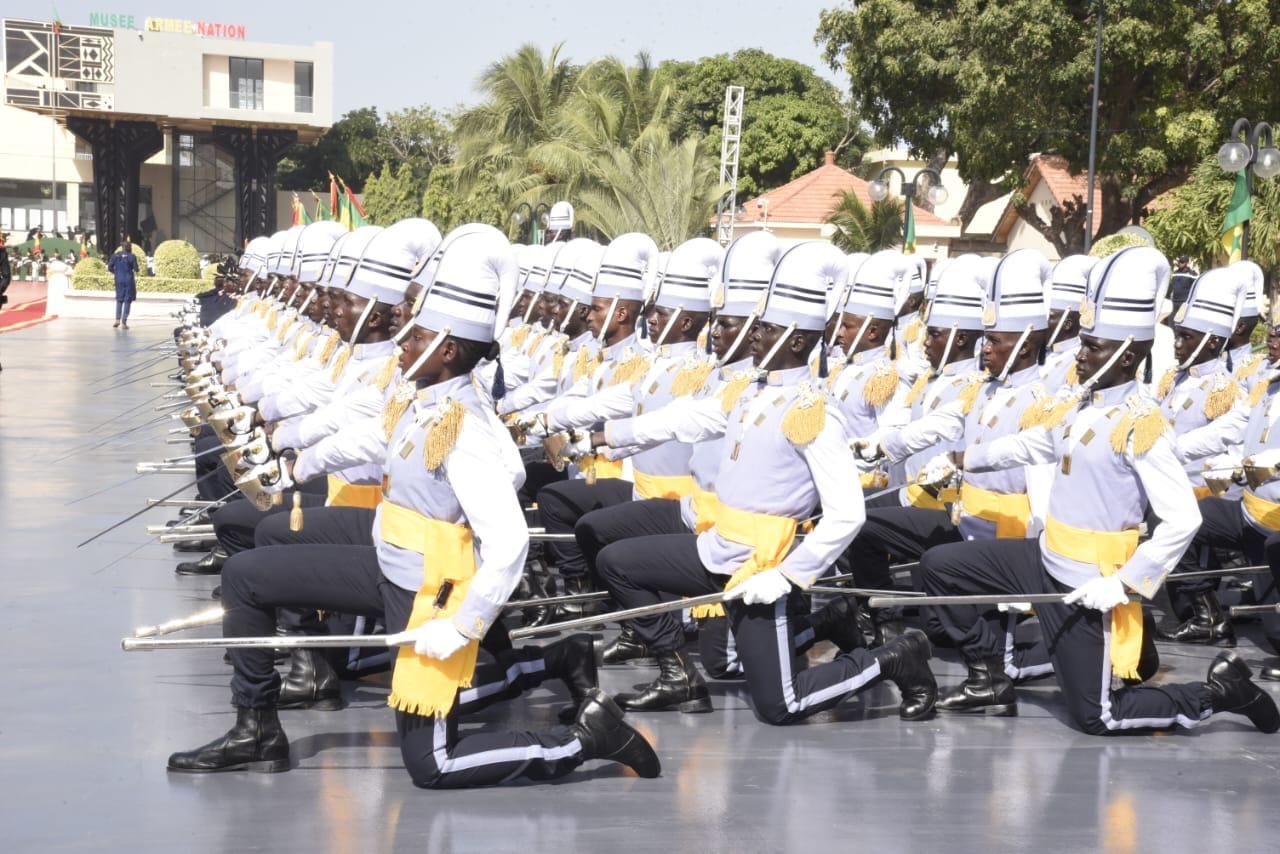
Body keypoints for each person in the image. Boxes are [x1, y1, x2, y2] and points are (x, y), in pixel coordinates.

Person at [921, 245, 1278, 735]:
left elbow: (1183, 519)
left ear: (1128, 355)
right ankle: (990, 672)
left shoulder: (1141, 424)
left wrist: (1125, 585)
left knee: (1097, 716)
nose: (1080, 355)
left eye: (1093, 346)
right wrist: (962, 459)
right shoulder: (1078, 403)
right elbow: (1034, 444)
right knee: (940, 566)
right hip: (1044, 556)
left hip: (1090, 577)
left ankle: (1221, 693)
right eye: (1084, 342)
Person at [107, 239, 139, 329]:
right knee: (127, 300)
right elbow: (136, 269)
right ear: (129, 248)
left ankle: (117, 319)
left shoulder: (115, 256)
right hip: (128, 280)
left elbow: (109, 267)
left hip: (119, 279)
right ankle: (124, 322)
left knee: (119, 299)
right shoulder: (132, 256)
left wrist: (116, 272)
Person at [1169, 255, 1197, 322]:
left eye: (1182, 262)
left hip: (1184, 302)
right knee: (1171, 320)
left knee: (1181, 320)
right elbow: (1171, 286)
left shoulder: (1192, 274)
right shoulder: (1175, 273)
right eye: (1179, 262)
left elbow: (1195, 288)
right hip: (1174, 301)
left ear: (1187, 263)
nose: (1180, 263)